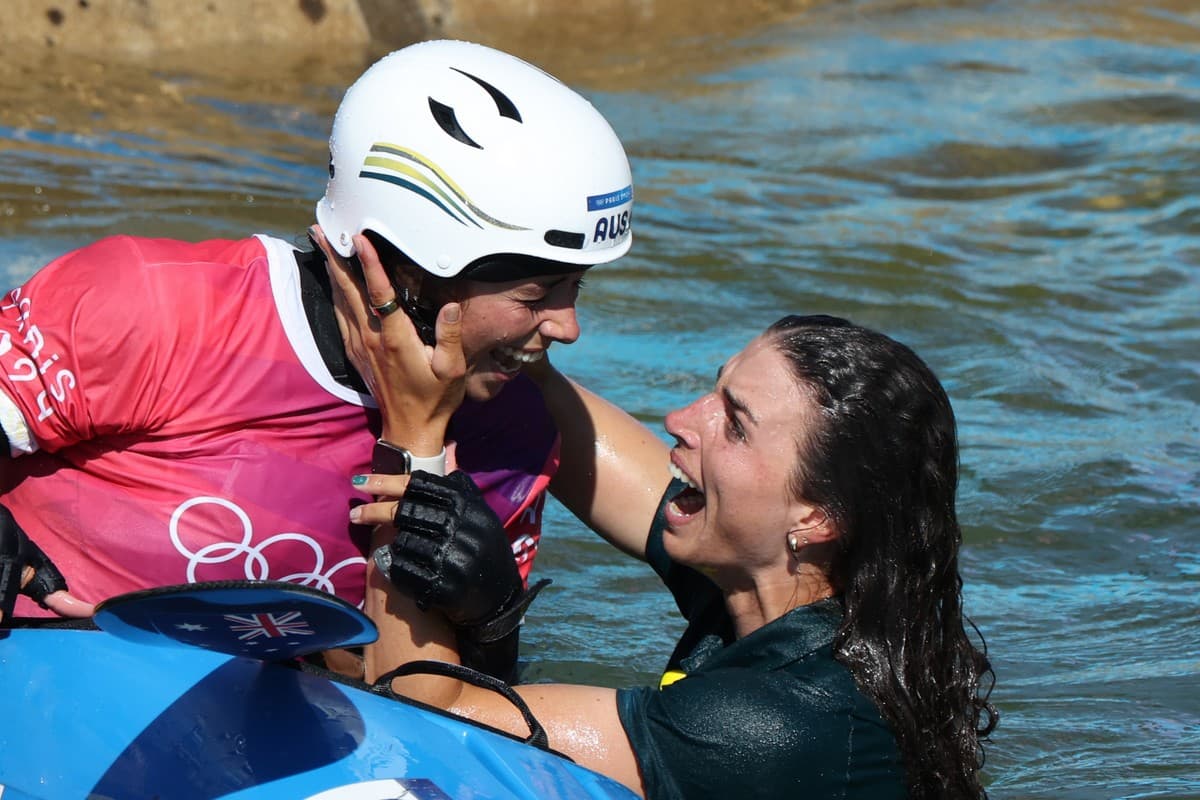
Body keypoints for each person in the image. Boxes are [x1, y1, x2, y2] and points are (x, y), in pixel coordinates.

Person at [0, 39, 634, 644]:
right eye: (533, 296)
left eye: (575, 288)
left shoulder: (513, 438)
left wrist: (490, 616)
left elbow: (449, 708)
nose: (568, 327)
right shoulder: (152, 307)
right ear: (408, 270)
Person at [336, 272, 998, 798]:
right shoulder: (782, 587)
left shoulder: (769, 724)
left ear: (817, 519)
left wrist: (414, 438)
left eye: (733, 424)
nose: (681, 418)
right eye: (714, 392)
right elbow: (592, 449)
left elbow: (426, 719)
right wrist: (506, 345)